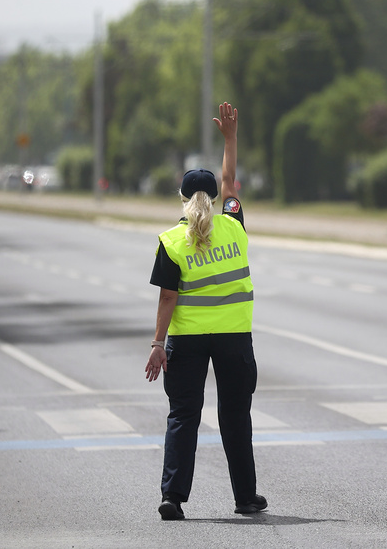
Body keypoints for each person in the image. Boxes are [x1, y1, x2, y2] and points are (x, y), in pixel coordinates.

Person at [145, 101, 267, 521]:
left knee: (183, 416)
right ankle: (245, 498)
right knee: (236, 417)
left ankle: (173, 498)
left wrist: (158, 343)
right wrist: (231, 138)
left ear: (181, 198)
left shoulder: (172, 241)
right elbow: (231, 178)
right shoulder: (233, 224)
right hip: (234, 338)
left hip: (188, 341)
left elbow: (167, 298)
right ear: (215, 199)